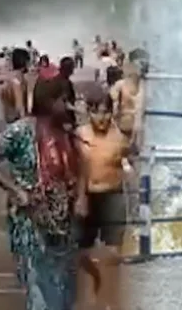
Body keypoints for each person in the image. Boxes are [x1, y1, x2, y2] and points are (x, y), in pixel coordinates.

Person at [0, 77, 85, 309]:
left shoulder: (66, 131)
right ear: (48, 101)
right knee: (39, 292)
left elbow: (80, 164)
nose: (68, 104)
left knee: (63, 289)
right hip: (30, 224)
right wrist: (16, 190)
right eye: (63, 99)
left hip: (62, 222)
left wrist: (81, 196)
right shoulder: (21, 131)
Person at [76, 85, 135, 307]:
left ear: (112, 112)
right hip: (87, 198)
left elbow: (130, 159)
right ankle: (93, 286)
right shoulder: (79, 135)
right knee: (82, 254)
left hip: (113, 196)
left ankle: (110, 301)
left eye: (106, 112)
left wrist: (130, 172)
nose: (101, 117)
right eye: (96, 112)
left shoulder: (120, 137)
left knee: (113, 254)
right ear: (89, 112)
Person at [111, 56, 147, 141]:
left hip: (132, 126)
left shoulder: (145, 87)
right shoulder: (120, 85)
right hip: (126, 125)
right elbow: (114, 104)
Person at [1, 48, 32, 124]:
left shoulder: (9, 76)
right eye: (28, 61)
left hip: (9, 118)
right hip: (16, 120)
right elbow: (19, 104)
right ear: (24, 62)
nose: (30, 64)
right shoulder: (18, 79)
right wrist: (24, 121)